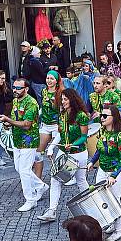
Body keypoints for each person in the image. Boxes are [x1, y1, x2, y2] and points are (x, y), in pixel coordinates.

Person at [38, 89, 90, 222]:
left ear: (72, 100)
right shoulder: (62, 114)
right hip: (64, 153)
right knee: (55, 179)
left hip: (78, 154)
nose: (63, 102)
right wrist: (51, 148)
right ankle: (51, 210)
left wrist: (72, 144)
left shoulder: (81, 116)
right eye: (62, 99)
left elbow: (84, 137)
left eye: (65, 99)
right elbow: (60, 134)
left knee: (81, 180)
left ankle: (90, 207)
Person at [0, 78, 48, 212]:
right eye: (14, 87)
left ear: (26, 89)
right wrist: (7, 123)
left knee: (25, 170)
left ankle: (30, 199)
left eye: (18, 88)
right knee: (18, 168)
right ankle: (41, 186)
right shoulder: (15, 100)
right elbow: (15, 119)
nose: (15, 90)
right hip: (17, 140)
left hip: (28, 141)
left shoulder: (31, 103)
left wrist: (8, 120)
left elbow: (27, 125)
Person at [87, 105, 121, 241]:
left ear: (114, 118)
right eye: (101, 115)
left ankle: (118, 230)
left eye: (105, 116)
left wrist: (114, 175)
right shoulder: (102, 132)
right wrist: (92, 162)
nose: (102, 118)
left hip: (116, 171)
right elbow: (99, 149)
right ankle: (112, 222)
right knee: (103, 198)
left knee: (114, 199)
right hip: (102, 170)